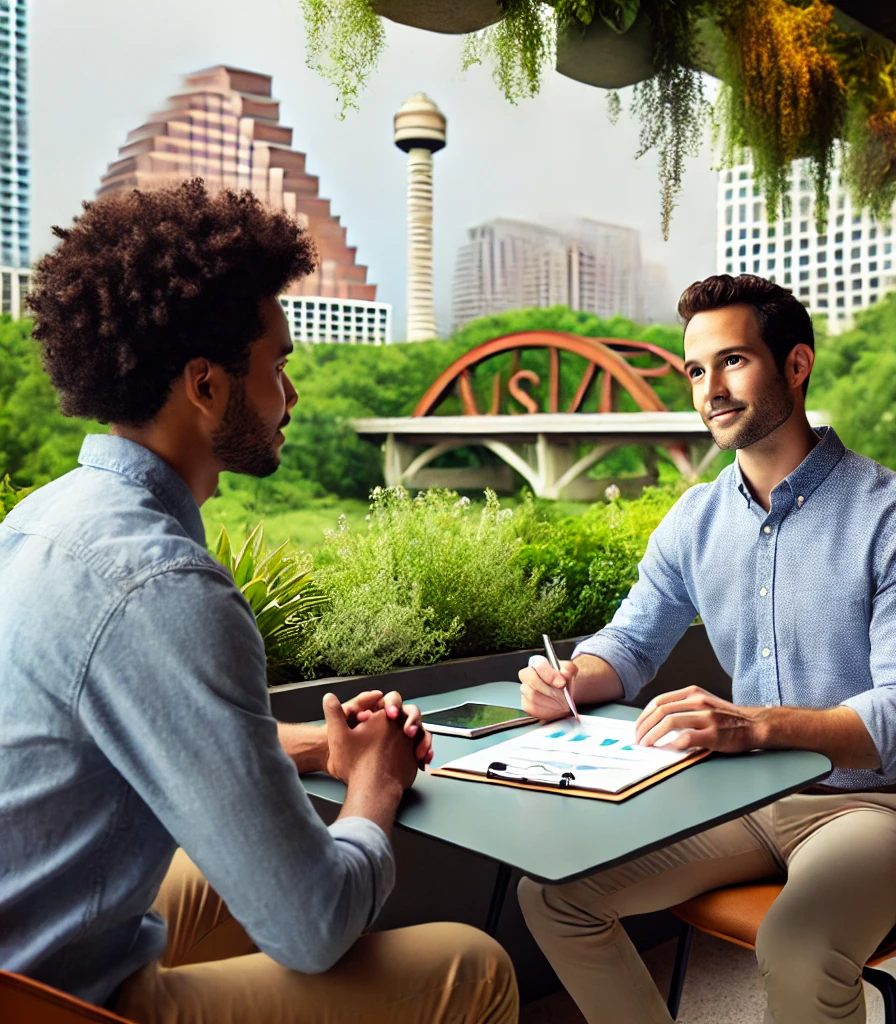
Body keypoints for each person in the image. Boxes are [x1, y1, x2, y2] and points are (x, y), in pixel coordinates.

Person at [0, 180, 517, 1024]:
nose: (292, 396)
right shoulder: (166, 587)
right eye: (278, 366)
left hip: (23, 945)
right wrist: (375, 789)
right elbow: (312, 928)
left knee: (227, 869)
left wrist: (322, 747)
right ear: (205, 386)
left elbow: (127, 724)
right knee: (471, 966)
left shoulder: (42, 520)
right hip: (56, 1001)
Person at [517, 273, 896, 1024]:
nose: (710, 390)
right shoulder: (693, 520)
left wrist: (756, 726)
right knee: (555, 895)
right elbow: (629, 641)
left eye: (733, 362)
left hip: (871, 808)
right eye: (696, 370)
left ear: (796, 364)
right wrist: (571, 677)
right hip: (741, 803)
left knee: (795, 944)